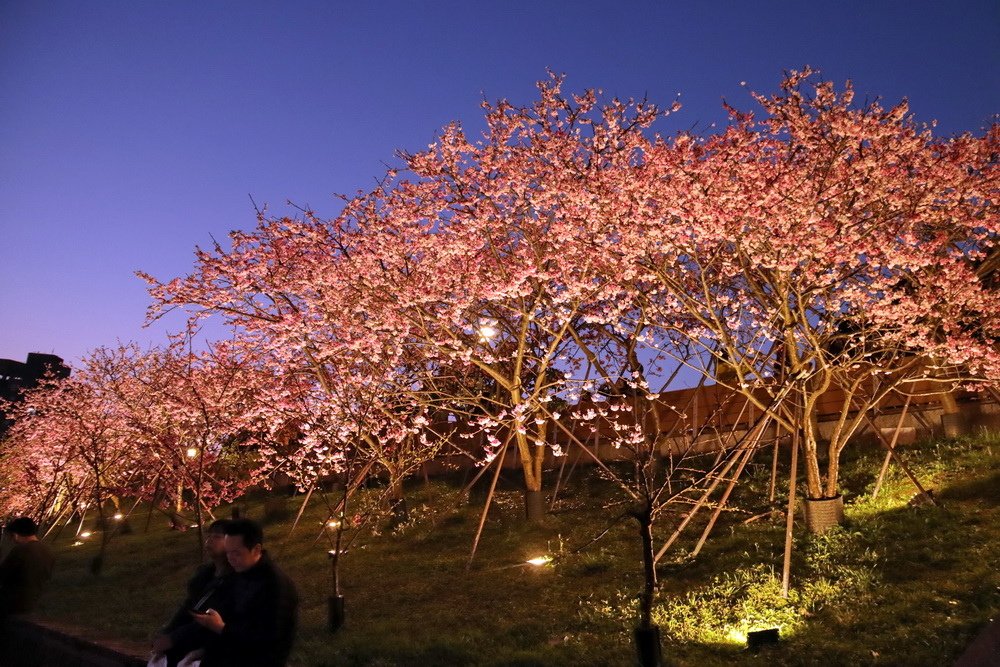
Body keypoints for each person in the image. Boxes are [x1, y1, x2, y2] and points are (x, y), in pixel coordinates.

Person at [191, 519, 298, 667]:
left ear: (256, 549)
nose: (231, 559)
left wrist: (220, 628)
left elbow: (266, 640)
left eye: (236, 553)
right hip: (232, 651)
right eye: (228, 552)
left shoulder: (274, 585)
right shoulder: (241, 573)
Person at [149, 519, 234, 667]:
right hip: (188, 641)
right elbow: (187, 608)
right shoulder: (204, 576)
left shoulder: (233, 581)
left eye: (217, 537)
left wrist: (173, 639)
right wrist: (167, 633)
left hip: (209, 644)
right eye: (210, 536)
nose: (210, 540)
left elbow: (208, 619)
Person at [0, 517, 55, 617]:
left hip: (14, 602)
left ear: (16, 535)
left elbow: (3, 575)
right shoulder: (47, 550)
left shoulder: (20, 551)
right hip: (36, 598)